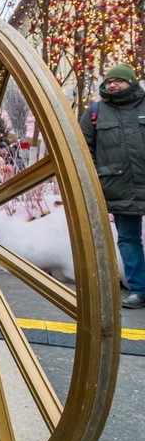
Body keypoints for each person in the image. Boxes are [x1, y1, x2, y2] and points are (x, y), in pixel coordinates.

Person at [80, 63, 145, 309]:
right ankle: (139, 290)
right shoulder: (95, 112)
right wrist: (98, 175)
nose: (112, 84)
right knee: (128, 239)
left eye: (118, 80)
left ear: (131, 82)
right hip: (118, 185)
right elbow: (85, 149)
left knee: (130, 239)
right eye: (108, 81)